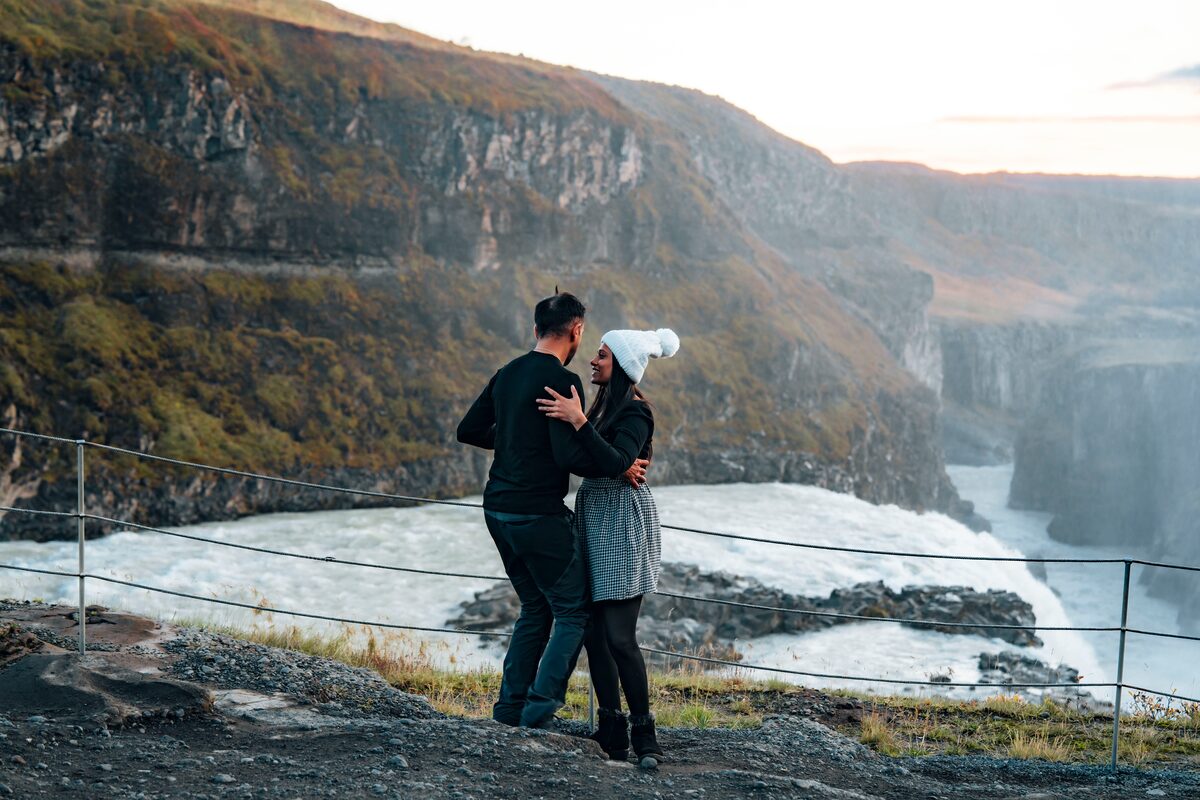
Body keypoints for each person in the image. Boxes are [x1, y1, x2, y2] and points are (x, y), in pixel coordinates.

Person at [455, 293, 647, 728]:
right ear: (576, 330)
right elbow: (569, 459)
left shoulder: (506, 374)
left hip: (497, 511)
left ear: (535, 327)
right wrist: (617, 466)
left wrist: (515, 437)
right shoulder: (564, 382)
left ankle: (508, 710)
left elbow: (468, 430)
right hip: (538, 515)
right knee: (573, 611)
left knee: (535, 609)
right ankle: (538, 711)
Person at [537, 327, 679, 766]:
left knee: (619, 637)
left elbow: (617, 458)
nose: (594, 361)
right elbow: (604, 460)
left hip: (621, 523)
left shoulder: (636, 412)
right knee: (596, 636)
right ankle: (612, 730)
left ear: (621, 362)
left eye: (601, 355)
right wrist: (604, 454)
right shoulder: (602, 408)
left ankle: (646, 736)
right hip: (595, 519)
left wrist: (580, 423)